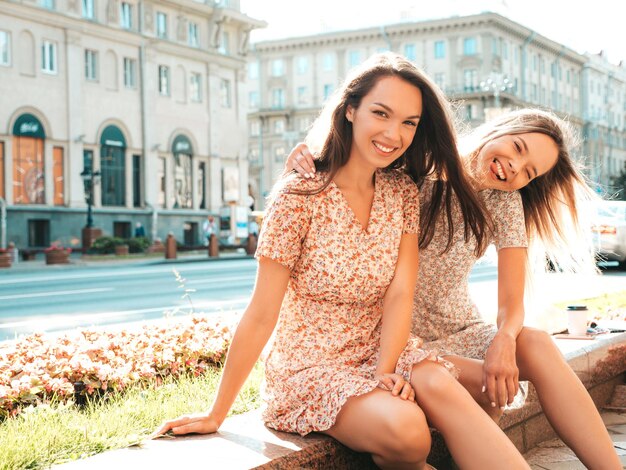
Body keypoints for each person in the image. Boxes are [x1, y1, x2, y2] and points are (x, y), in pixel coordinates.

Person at [153, 53, 529, 469]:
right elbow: (261, 312)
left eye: (409, 122)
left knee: (449, 385)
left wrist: (385, 372)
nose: (393, 133)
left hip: (380, 351)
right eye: (381, 113)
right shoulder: (299, 196)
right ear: (350, 109)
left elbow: (400, 293)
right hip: (311, 366)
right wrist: (217, 412)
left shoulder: (401, 190)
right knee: (409, 433)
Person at [287, 108, 621, 468]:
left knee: (536, 342)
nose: (514, 168)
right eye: (518, 148)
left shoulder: (503, 201)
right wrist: (310, 154)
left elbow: (511, 302)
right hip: (393, 339)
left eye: (529, 172)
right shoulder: (415, 170)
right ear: (500, 129)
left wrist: (504, 341)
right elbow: (360, 155)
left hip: (458, 329)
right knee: (487, 391)